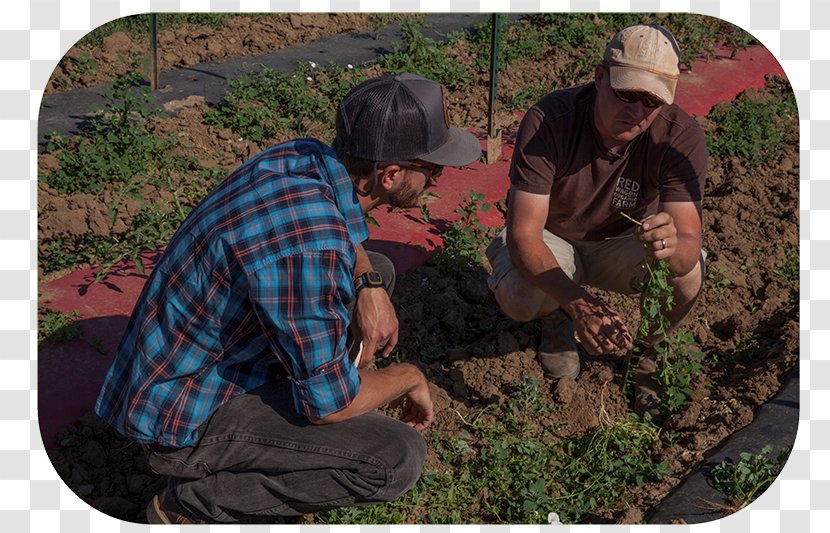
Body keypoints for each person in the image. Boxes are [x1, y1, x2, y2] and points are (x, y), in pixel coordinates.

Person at [94, 72, 482, 524]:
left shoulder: (303, 158)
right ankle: (193, 506)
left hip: (180, 371)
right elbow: (329, 406)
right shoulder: (311, 245)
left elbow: (336, 230)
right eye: (432, 170)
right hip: (183, 417)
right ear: (390, 174)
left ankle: (312, 388)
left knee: (381, 269)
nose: (437, 179)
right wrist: (408, 376)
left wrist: (369, 284)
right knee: (395, 458)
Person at [485, 24, 707, 417]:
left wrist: (673, 245)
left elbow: (687, 244)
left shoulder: (678, 137)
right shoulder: (551, 121)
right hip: (551, 238)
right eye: (626, 94)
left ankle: (648, 353)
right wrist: (579, 303)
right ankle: (555, 317)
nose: (636, 111)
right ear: (601, 77)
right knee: (521, 293)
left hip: (622, 241)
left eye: (650, 101)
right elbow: (523, 234)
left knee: (688, 275)